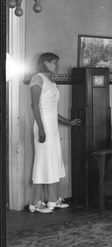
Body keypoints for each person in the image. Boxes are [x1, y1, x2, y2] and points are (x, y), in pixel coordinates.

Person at [29, 52, 82, 214]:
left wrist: (69, 122)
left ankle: (52, 199)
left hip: (52, 127)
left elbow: (52, 110)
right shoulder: (37, 79)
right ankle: (34, 203)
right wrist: (42, 129)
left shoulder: (51, 81)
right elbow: (34, 106)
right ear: (46, 63)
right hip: (43, 127)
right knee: (42, 163)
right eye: (55, 63)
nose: (57, 66)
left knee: (52, 162)